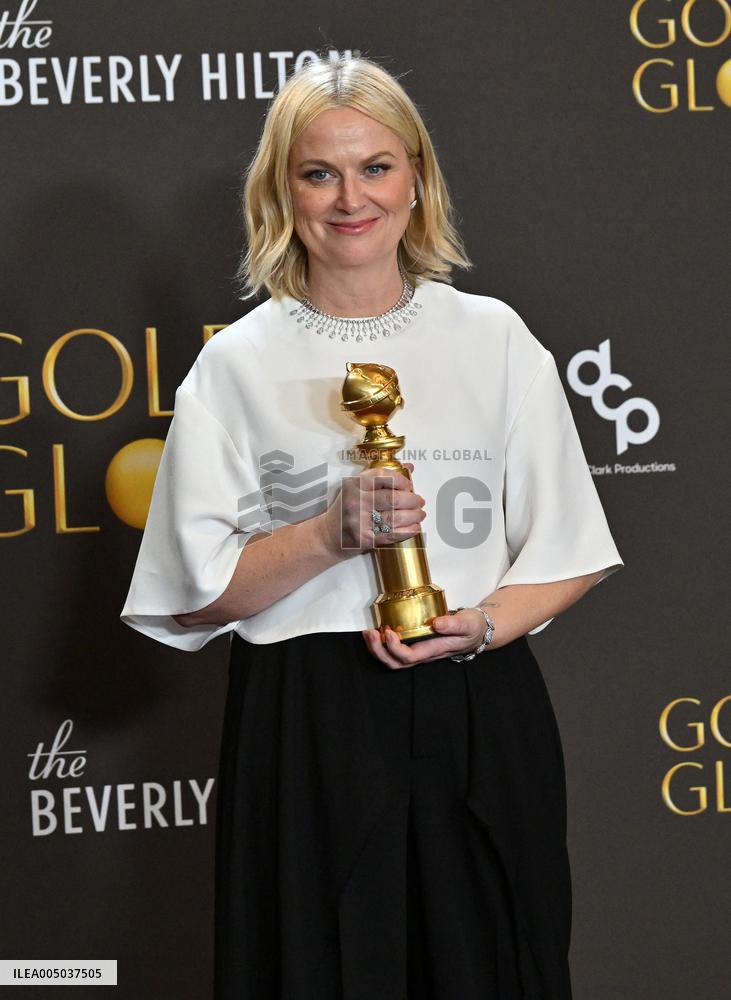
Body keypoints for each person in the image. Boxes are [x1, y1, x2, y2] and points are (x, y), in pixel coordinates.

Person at [120, 54, 623, 1000]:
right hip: (307, 721)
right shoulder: (236, 366)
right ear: (282, 192)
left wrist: (476, 627)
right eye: (319, 172)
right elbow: (191, 601)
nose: (350, 198)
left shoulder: (494, 337)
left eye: (376, 167)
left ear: (416, 180)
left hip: (479, 704)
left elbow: (573, 554)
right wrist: (324, 536)